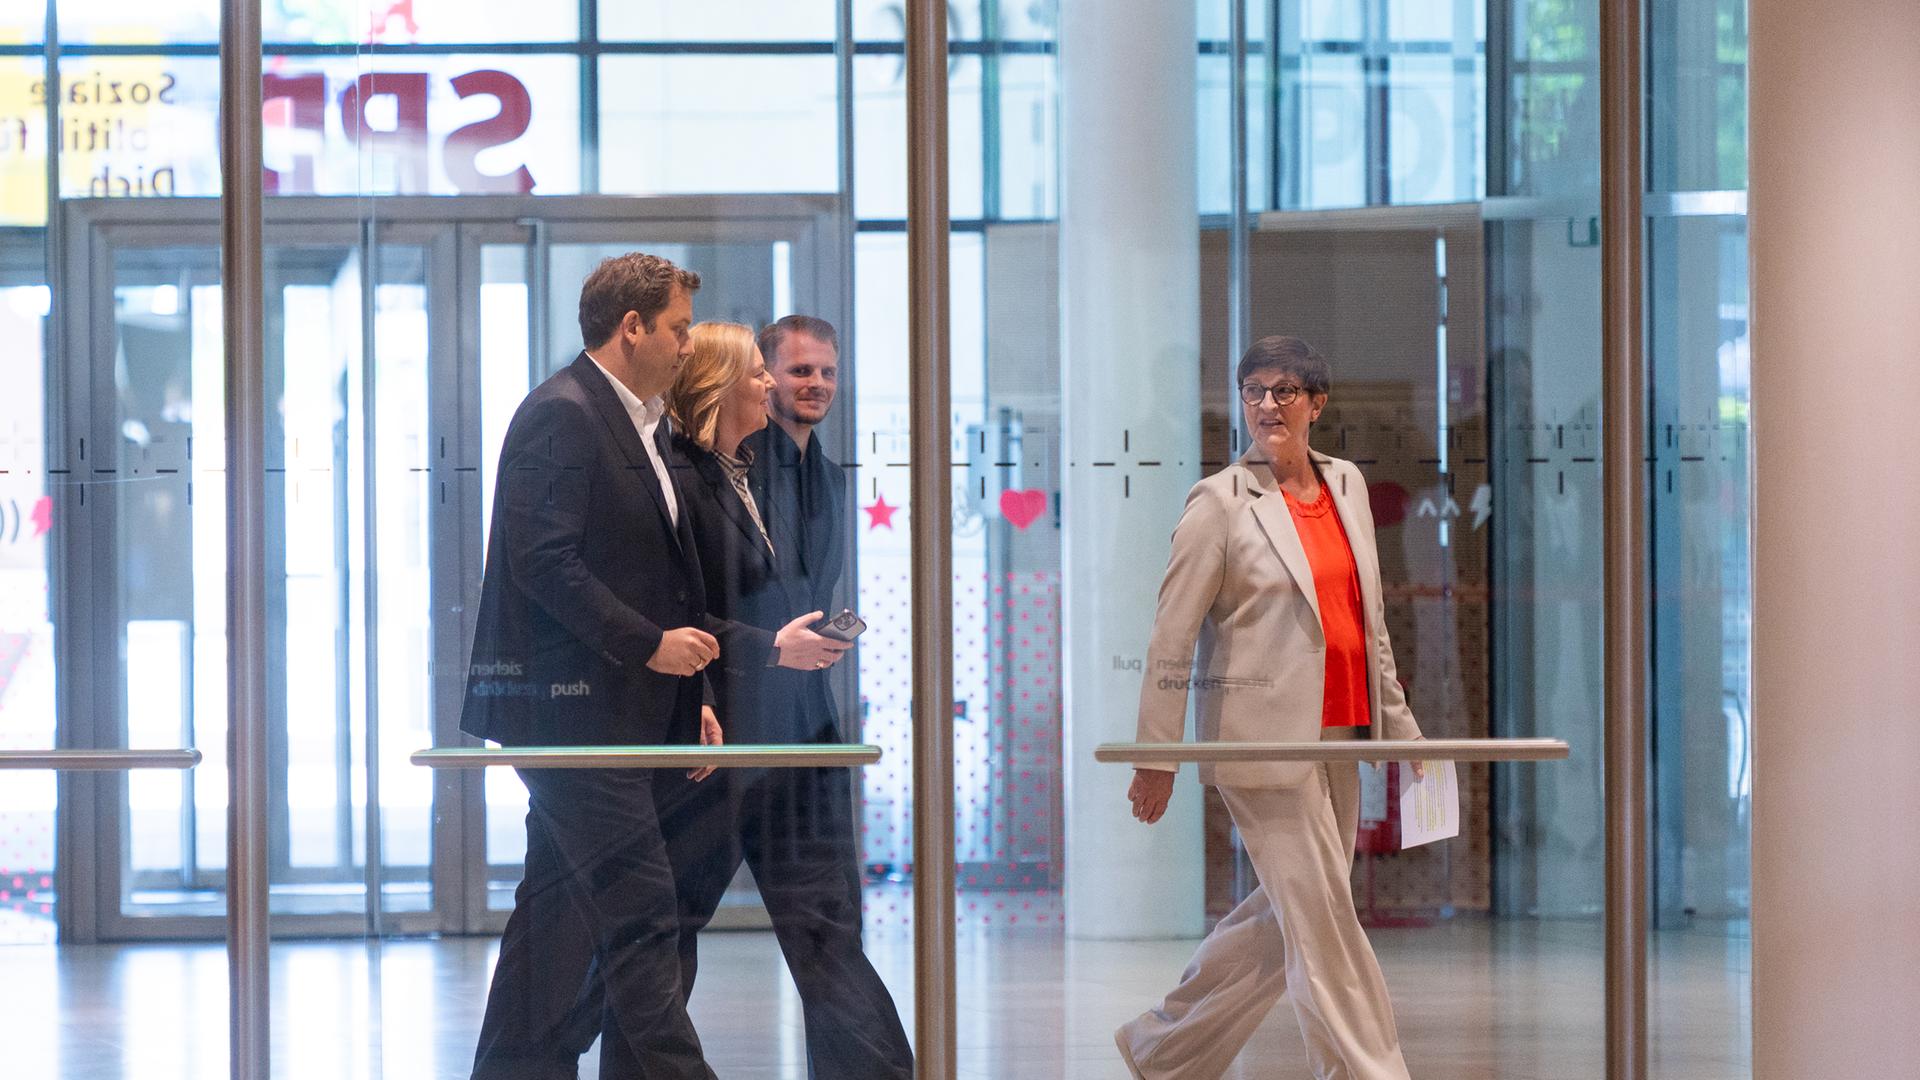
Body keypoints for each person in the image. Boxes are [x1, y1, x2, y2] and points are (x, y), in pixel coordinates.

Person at [458, 255, 844, 1080]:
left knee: (554, 918)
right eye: (675, 330)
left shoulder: (639, 424)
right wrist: (652, 649)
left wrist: (689, 690)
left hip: (615, 712)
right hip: (567, 717)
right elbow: (544, 563)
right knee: (641, 916)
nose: (684, 346)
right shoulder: (560, 413)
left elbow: (655, 582)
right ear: (630, 328)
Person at [1114, 336, 1425, 1080]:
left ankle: (1164, 1048)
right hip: (1261, 747)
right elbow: (1171, 636)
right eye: (1254, 390)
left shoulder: (1346, 485)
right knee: (1325, 925)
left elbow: (1367, 623)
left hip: (1343, 734)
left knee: (1289, 912)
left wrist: (1405, 733)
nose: (1267, 404)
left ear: (1318, 403)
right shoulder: (1218, 502)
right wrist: (1157, 756)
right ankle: (1370, 1072)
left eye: (1285, 390)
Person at [658, 318, 914, 1079]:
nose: (812, 385)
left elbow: (807, 590)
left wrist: (818, 645)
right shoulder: (718, 469)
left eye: (826, 372)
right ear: (758, 378)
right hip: (723, 729)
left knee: (826, 926)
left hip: (804, 728)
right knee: (670, 924)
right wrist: (772, 648)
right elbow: (697, 596)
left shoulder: (827, 478)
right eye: (796, 371)